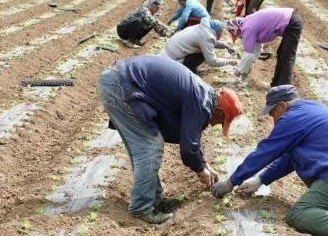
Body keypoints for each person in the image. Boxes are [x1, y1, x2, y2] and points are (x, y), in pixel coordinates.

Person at [212, 85, 328, 236]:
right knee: (303, 159)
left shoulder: (292, 117)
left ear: (282, 106)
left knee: (298, 214)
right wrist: (260, 180)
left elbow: (265, 152)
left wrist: (231, 182)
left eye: (273, 113)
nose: (274, 119)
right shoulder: (311, 109)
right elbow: (290, 157)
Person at [97, 55, 243, 224]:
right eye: (221, 122)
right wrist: (201, 170)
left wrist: (205, 164)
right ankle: (141, 209)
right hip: (123, 85)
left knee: (144, 146)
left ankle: (155, 199)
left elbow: (191, 136)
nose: (216, 125)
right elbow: (188, 149)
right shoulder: (202, 102)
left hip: (117, 80)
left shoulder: (202, 94)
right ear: (219, 112)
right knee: (150, 146)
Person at [226, 7, 302, 87]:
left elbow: (248, 54)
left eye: (236, 34)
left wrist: (240, 70)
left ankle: (284, 88)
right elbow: (256, 48)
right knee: (281, 53)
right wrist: (251, 61)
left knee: (287, 57)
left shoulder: (247, 28)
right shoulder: (247, 22)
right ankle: (276, 84)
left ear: (236, 29)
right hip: (290, 19)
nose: (238, 36)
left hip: (291, 22)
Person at [164, 18, 237, 74]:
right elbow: (212, 61)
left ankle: (189, 68)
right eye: (221, 32)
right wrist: (228, 62)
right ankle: (188, 71)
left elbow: (210, 42)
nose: (221, 35)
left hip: (169, 51)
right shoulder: (206, 36)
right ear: (216, 31)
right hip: (173, 60)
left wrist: (225, 46)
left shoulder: (202, 28)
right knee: (202, 55)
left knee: (202, 51)